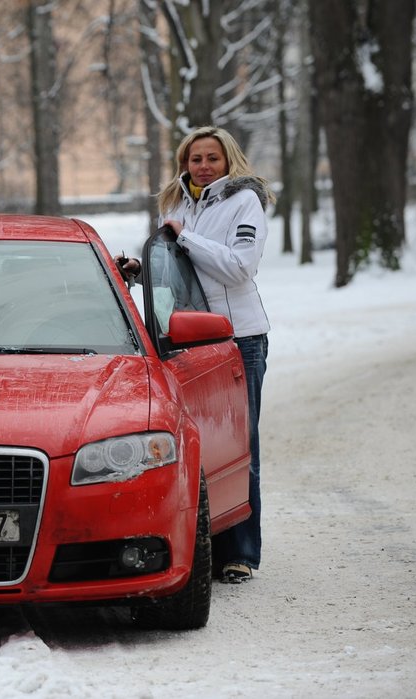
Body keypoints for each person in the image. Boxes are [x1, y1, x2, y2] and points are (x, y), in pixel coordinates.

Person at [155, 125, 274, 583]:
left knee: (242, 445)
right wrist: (140, 268)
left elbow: (240, 268)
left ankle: (240, 553)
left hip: (239, 339)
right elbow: (182, 270)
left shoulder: (245, 202)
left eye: (212, 158)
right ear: (184, 163)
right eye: (195, 159)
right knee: (203, 446)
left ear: (229, 162)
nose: (203, 167)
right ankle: (204, 543)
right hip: (190, 340)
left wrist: (184, 237)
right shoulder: (179, 204)